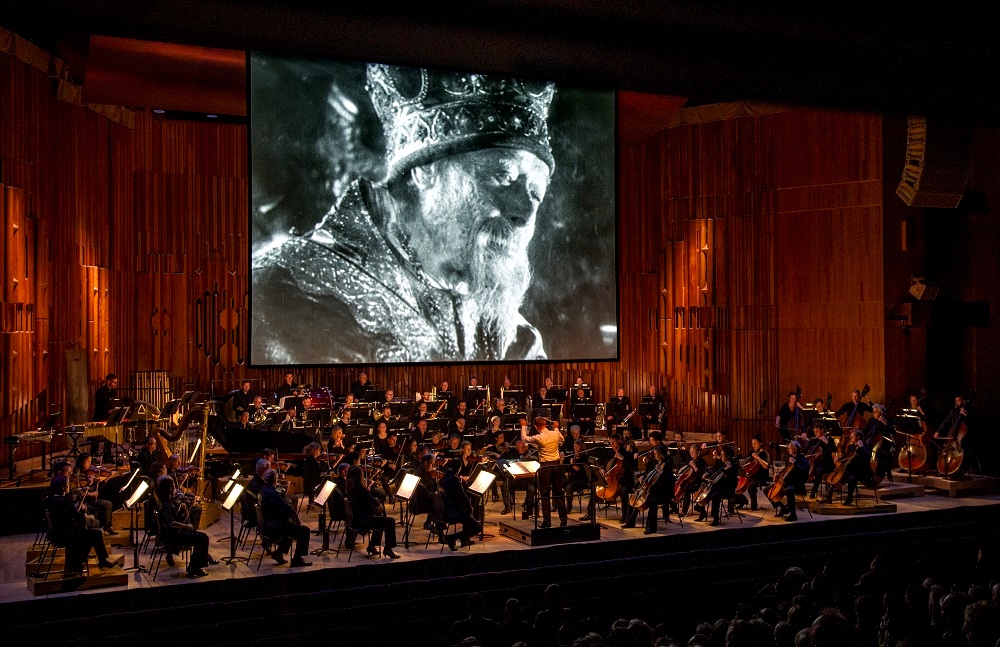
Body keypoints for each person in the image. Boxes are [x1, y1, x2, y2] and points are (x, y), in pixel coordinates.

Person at [252, 64, 556, 363]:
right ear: (425, 170)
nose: (526, 214)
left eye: (536, 193)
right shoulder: (281, 297)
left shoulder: (513, 337)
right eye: (503, 176)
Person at [46, 475, 116, 575]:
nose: (69, 487)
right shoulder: (63, 501)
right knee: (95, 534)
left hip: (59, 532)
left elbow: (71, 513)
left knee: (93, 534)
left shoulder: (55, 499)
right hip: (65, 535)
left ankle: (83, 562)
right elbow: (76, 515)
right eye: (67, 485)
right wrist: (89, 518)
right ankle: (82, 562)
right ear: (62, 487)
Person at [155, 475, 213, 577]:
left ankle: (195, 566)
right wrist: (187, 526)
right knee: (202, 538)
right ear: (170, 489)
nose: (175, 489)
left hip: (172, 535)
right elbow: (171, 523)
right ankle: (195, 567)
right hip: (172, 537)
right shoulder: (166, 504)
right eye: (173, 487)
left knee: (199, 536)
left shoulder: (166, 502)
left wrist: (183, 511)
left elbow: (173, 519)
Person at [520, 416, 567, 527]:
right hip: (556, 465)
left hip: (545, 467)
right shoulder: (555, 433)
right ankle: (563, 520)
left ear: (536, 427)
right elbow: (562, 440)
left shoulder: (539, 437)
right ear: (545, 424)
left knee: (545, 494)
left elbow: (524, 439)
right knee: (559, 493)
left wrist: (523, 426)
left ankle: (547, 521)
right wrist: (556, 428)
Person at [344, 465, 400, 558]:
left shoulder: (351, 487)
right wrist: (378, 504)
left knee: (381, 518)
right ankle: (388, 548)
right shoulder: (359, 488)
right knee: (390, 521)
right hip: (363, 521)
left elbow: (366, 498)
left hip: (356, 520)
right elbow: (371, 499)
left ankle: (372, 545)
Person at [260, 469, 312, 566]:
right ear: (274, 479)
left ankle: (278, 553)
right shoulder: (272, 493)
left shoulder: (264, 489)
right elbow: (285, 508)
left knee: (291, 527)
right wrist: (291, 509)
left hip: (268, 524)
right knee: (304, 531)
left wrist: (283, 492)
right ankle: (297, 559)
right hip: (276, 527)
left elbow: (277, 496)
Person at [438, 467, 481, 550]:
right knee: (477, 527)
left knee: (467, 517)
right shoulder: (455, 482)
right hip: (454, 514)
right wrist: (469, 508)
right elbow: (463, 498)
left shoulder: (444, 481)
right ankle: (453, 538)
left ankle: (462, 539)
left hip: (446, 512)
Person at [72, 453, 114, 534]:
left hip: (90, 499)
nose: (90, 464)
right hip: (84, 501)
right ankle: (100, 528)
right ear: (81, 462)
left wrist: (107, 478)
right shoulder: (77, 476)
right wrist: (92, 492)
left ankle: (107, 526)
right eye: (87, 461)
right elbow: (80, 492)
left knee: (108, 503)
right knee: (107, 504)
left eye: (90, 461)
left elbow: (92, 488)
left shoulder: (89, 473)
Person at [640, 443, 676, 534]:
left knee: (652, 501)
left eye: (656, 453)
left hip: (665, 493)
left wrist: (661, 472)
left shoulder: (667, 464)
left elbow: (669, 480)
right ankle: (647, 526)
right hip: (657, 491)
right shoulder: (657, 463)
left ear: (660, 454)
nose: (654, 455)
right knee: (646, 498)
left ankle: (651, 528)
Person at [772, 440, 809, 521]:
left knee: (789, 490)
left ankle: (793, 515)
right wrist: (778, 475)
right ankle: (783, 509)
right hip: (787, 482)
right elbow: (786, 471)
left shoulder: (803, 459)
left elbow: (804, 471)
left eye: (789, 448)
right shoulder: (791, 459)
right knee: (767, 490)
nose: (788, 450)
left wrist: (795, 463)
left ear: (795, 449)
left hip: (797, 484)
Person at [743, 435, 771, 511]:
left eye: (755, 443)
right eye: (752, 443)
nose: (754, 445)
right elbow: (747, 463)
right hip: (752, 475)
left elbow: (766, 466)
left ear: (760, 443)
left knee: (752, 485)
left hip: (761, 476)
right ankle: (742, 501)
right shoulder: (751, 453)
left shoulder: (765, 454)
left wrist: (758, 458)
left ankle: (754, 506)